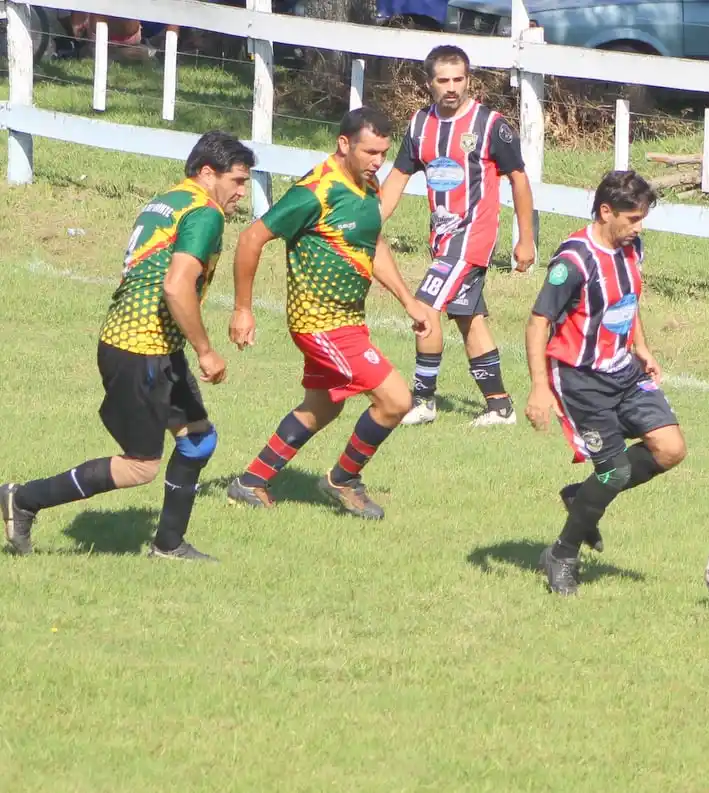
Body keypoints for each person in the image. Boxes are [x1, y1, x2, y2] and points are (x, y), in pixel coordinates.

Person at [1, 130, 256, 560]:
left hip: (148, 343)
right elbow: (177, 288)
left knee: (198, 440)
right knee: (140, 465)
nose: (241, 193)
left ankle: (168, 546)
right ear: (208, 173)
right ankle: (23, 498)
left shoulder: (167, 200)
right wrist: (206, 351)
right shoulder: (204, 212)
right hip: (141, 349)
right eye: (238, 181)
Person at [226, 107, 430, 520]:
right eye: (370, 152)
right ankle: (343, 479)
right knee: (395, 400)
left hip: (348, 321)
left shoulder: (367, 185)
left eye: (383, 153)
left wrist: (408, 300)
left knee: (322, 406)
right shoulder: (315, 191)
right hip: (320, 324)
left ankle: (250, 481)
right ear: (343, 144)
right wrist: (243, 310)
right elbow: (251, 238)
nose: (378, 162)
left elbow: (372, 244)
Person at [524, 170, 686, 596]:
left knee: (670, 449)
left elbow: (627, 302)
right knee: (612, 472)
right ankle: (562, 553)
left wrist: (642, 347)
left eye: (643, 219)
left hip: (624, 371)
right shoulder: (574, 262)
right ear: (605, 211)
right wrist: (539, 388)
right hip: (581, 379)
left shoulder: (633, 248)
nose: (639, 227)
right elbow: (539, 322)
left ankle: (582, 496)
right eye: (632, 219)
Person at [379, 44, 536, 428]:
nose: (452, 87)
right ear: (429, 82)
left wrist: (526, 238)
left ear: (469, 80)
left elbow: (518, 179)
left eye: (459, 79)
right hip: (443, 240)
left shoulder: (490, 125)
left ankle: (423, 401)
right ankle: (500, 407)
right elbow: (399, 176)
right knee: (469, 318)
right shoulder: (419, 125)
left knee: (424, 309)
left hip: (472, 240)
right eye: (443, 80)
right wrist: (371, 220)